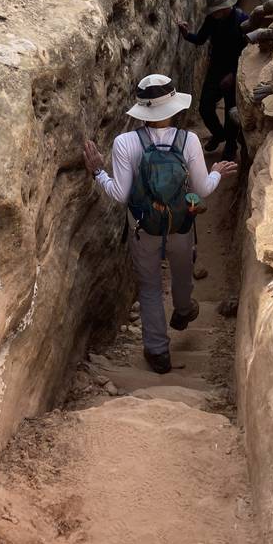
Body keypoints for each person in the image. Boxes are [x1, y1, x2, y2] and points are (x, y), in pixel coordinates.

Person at [83, 74, 237, 375]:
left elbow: (120, 194)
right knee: (182, 269)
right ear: (174, 108)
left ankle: (157, 352)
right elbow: (202, 189)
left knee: (150, 287)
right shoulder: (188, 140)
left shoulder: (125, 142)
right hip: (180, 223)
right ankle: (183, 309)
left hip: (144, 227)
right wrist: (216, 171)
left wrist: (98, 172)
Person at [177, 0, 248, 161]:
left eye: (214, 11)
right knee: (205, 107)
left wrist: (233, 73)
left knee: (232, 111)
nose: (212, 13)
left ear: (224, 8)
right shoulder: (212, 19)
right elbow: (201, 39)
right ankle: (219, 134)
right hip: (215, 69)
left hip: (235, 72)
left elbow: (248, 52)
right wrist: (187, 35)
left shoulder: (243, 20)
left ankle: (231, 146)